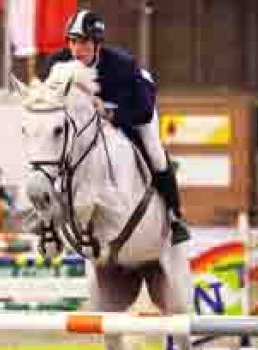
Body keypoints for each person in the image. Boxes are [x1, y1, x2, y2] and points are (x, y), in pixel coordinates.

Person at [39, 9, 190, 245]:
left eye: (84, 42)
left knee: (154, 151)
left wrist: (110, 112)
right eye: (72, 41)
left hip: (133, 107)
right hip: (88, 120)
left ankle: (174, 215)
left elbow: (143, 111)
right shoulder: (57, 63)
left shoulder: (122, 66)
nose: (76, 49)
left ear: (97, 44)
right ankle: (48, 220)